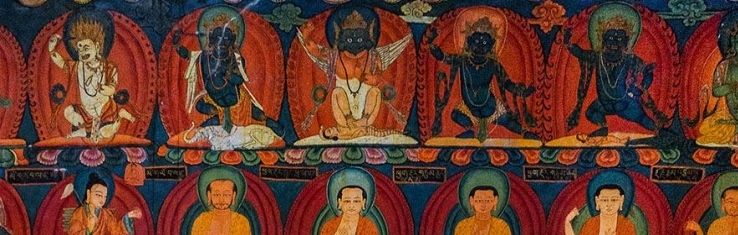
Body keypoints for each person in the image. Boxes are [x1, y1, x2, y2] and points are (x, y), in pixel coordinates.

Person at [296, 7, 412, 143]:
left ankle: (361, 125)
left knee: (375, 92)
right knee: (337, 92)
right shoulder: (335, 57)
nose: (355, 43)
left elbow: (379, 76)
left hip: (367, 117)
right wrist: (306, 36)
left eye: (360, 38)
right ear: (340, 38)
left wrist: (375, 79)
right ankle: (350, 124)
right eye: (350, 39)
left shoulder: (373, 57)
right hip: (343, 117)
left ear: (368, 36)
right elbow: (316, 51)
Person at [173, 8, 281, 149]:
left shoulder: (236, 59)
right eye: (218, 38)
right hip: (212, 99)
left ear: (232, 41)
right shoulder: (204, 56)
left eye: (226, 38)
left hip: (235, 100)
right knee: (200, 107)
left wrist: (229, 74)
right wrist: (176, 44)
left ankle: (269, 123)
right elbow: (187, 55)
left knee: (257, 114)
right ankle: (205, 129)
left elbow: (240, 80)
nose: (222, 42)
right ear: (212, 39)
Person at [423, 14, 536, 142]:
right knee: (456, 115)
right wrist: (431, 42)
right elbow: (441, 56)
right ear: (469, 42)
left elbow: (507, 83)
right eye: (476, 42)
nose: (480, 46)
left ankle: (525, 133)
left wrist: (522, 92)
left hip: (489, 106)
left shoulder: (493, 64)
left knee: (507, 121)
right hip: (469, 108)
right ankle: (469, 131)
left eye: (485, 43)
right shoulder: (462, 60)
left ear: (491, 45)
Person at [564, 14, 665, 139]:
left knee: (643, 119)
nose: (615, 43)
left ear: (626, 42)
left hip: (624, 103)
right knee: (591, 112)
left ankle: (661, 133)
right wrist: (568, 43)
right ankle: (603, 128)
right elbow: (580, 53)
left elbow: (647, 71)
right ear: (603, 40)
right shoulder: (598, 56)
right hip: (604, 104)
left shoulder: (628, 58)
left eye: (620, 39)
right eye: (610, 39)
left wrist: (640, 89)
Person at [47, 11, 135, 144]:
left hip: (105, 110)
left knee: (105, 133)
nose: (82, 52)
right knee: (68, 112)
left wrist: (105, 89)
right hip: (85, 112)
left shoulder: (109, 68)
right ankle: (85, 130)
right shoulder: (77, 66)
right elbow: (61, 62)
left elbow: (112, 88)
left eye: (86, 47)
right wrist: (52, 50)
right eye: (79, 48)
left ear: (97, 47)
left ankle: (120, 116)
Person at [697, 17, 738, 147]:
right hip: (731, 117)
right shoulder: (724, 66)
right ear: (733, 44)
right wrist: (731, 86)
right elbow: (716, 92)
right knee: (706, 127)